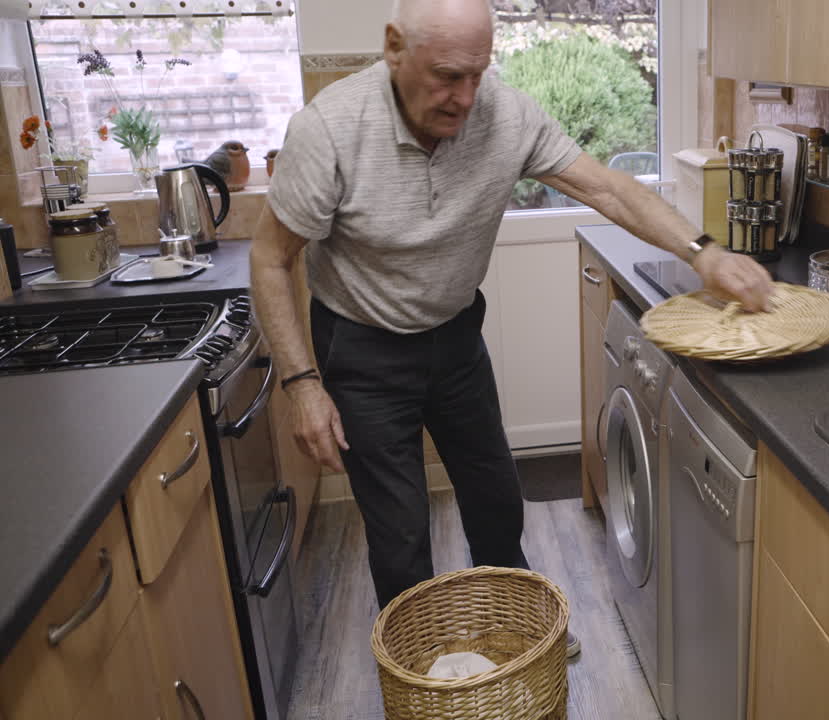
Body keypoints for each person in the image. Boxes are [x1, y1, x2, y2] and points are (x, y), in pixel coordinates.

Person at [250, 0, 773, 659]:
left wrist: (705, 252)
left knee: (496, 497)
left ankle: (521, 631)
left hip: (455, 337)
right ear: (392, 47)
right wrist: (301, 384)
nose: (464, 98)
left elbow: (608, 189)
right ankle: (426, 673)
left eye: (477, 74)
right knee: (400, 531)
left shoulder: (505, 114)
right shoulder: (329, 130)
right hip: (362, 347)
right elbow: (271, 257)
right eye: (445, 75)